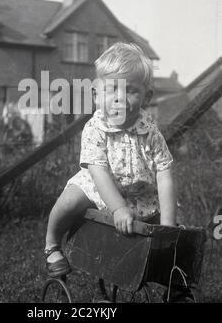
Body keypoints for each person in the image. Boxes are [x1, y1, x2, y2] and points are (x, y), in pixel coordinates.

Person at [44, 42, 177, 279]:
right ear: (97, 95)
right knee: (69, 200)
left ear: (146, 97)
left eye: (131, 91)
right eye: (112, 89)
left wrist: (168, 226)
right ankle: (52, 245)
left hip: (138, 193)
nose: (120, 99)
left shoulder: (150, 131)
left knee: (171, 219)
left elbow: (164, 174)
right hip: (99, 185)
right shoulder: (95, 128)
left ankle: (172, 273)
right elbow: (98, 172)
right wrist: (118, 208)